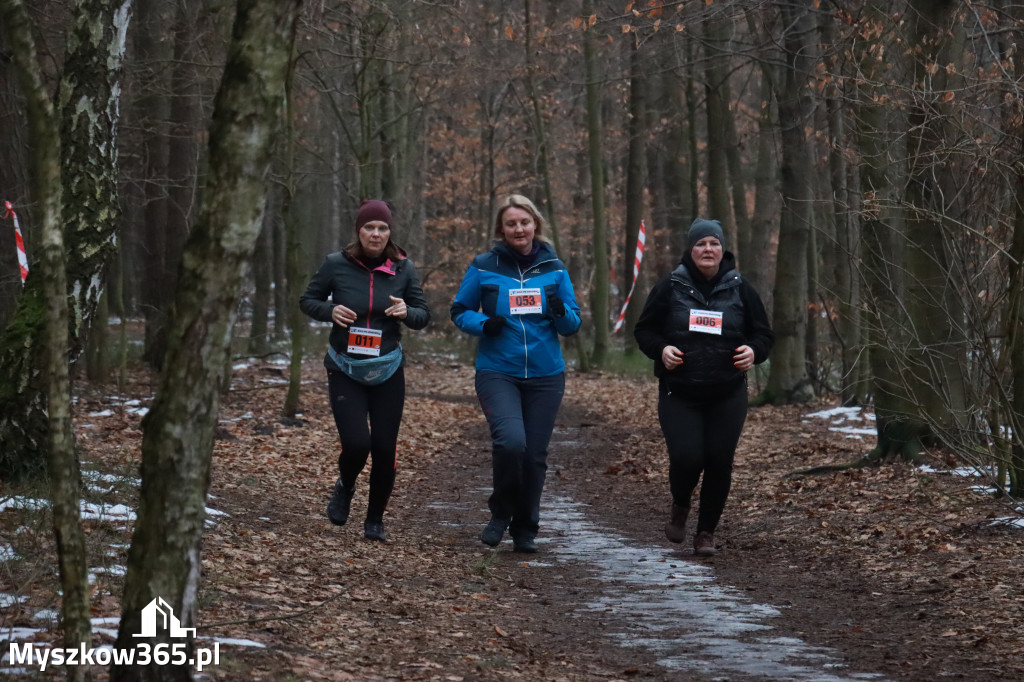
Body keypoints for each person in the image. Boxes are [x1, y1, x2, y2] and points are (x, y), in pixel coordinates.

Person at [634, 218, 774, 556]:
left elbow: (764, 335)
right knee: (687, 457)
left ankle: (706, 532)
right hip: (680, 391)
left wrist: (753, 351)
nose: (707, 250)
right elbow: (645, 331)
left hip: (727, 391)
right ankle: (681, 503)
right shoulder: (671, 286)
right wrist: (661, 349)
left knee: (719, 460)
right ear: (690, 250)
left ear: (722, 249)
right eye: (700, 244)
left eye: (713, 243)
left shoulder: (741, 288)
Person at [451, 195, 581, 553]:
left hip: (545, 375)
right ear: (501, 229)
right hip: (498, 370)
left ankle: (525, 528)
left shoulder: (554, 267)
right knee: (510, 442)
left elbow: (572, 324)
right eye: (511, 224)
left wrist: (559, 310)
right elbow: (460, 311)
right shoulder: (484, 265)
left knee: (534, 455)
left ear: (535, 224)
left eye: (524, 222)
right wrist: (484, 324)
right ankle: (501, 513)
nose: (519, 229)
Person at [300, 200, 430, 542]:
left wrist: (406, 311)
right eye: (369, 227)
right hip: (345, 367)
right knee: (358, 443)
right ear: (359, 230)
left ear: (390, 233)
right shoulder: (336, 264)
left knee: (385, 448)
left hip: (387, 368)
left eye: (382, 228)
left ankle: (375, 520)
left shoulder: (404, 268)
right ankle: (345, 485)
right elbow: (308, 300)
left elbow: (422, 315)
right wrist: (330, 311)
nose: (376, 234)